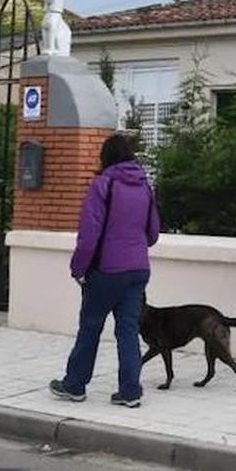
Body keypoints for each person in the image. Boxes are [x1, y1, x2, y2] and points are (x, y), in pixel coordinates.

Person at [49, 133, 160, 407]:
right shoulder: (145, 187)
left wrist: (78, 267)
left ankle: (74, 385)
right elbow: (153, 233)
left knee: (90, 327)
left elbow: (89, 234)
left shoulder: (104, 184)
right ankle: (130, 391)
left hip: (107, 271)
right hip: (138, 269)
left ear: (106, 156)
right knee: (128, 330)